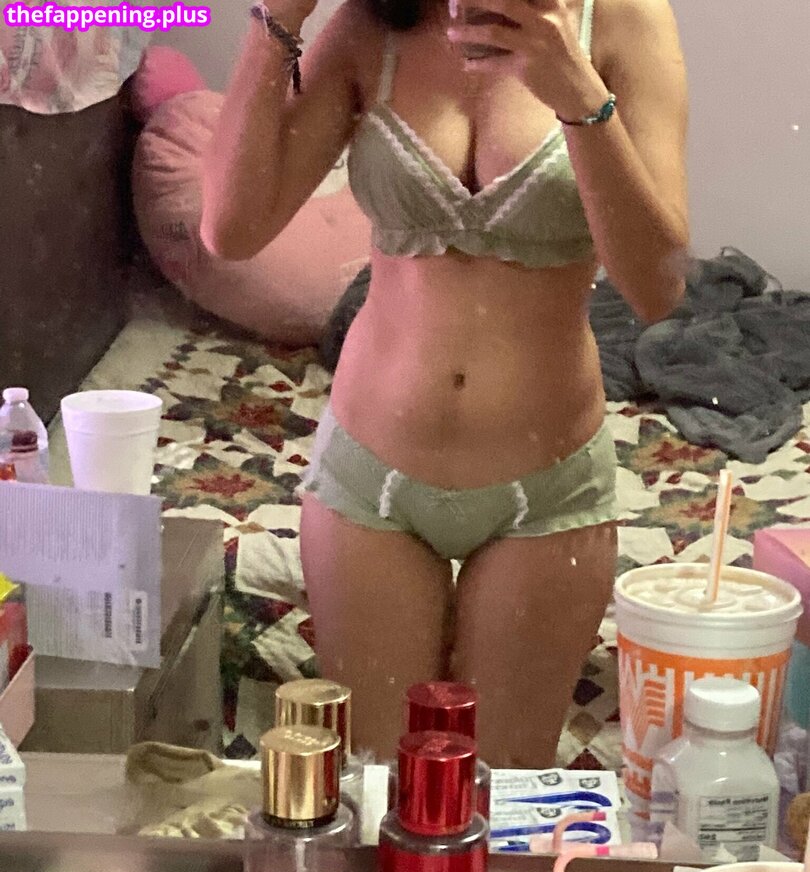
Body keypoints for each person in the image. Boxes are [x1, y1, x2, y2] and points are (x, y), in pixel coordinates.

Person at [202, 0, 689, 767]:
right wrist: (275, 23)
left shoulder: (623, 21)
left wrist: (578, 97)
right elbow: (230, 230)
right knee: (372, 792)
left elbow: (659, 288)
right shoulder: (373, 26)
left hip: (545, 487)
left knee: (503, 796)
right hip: (372, 476)